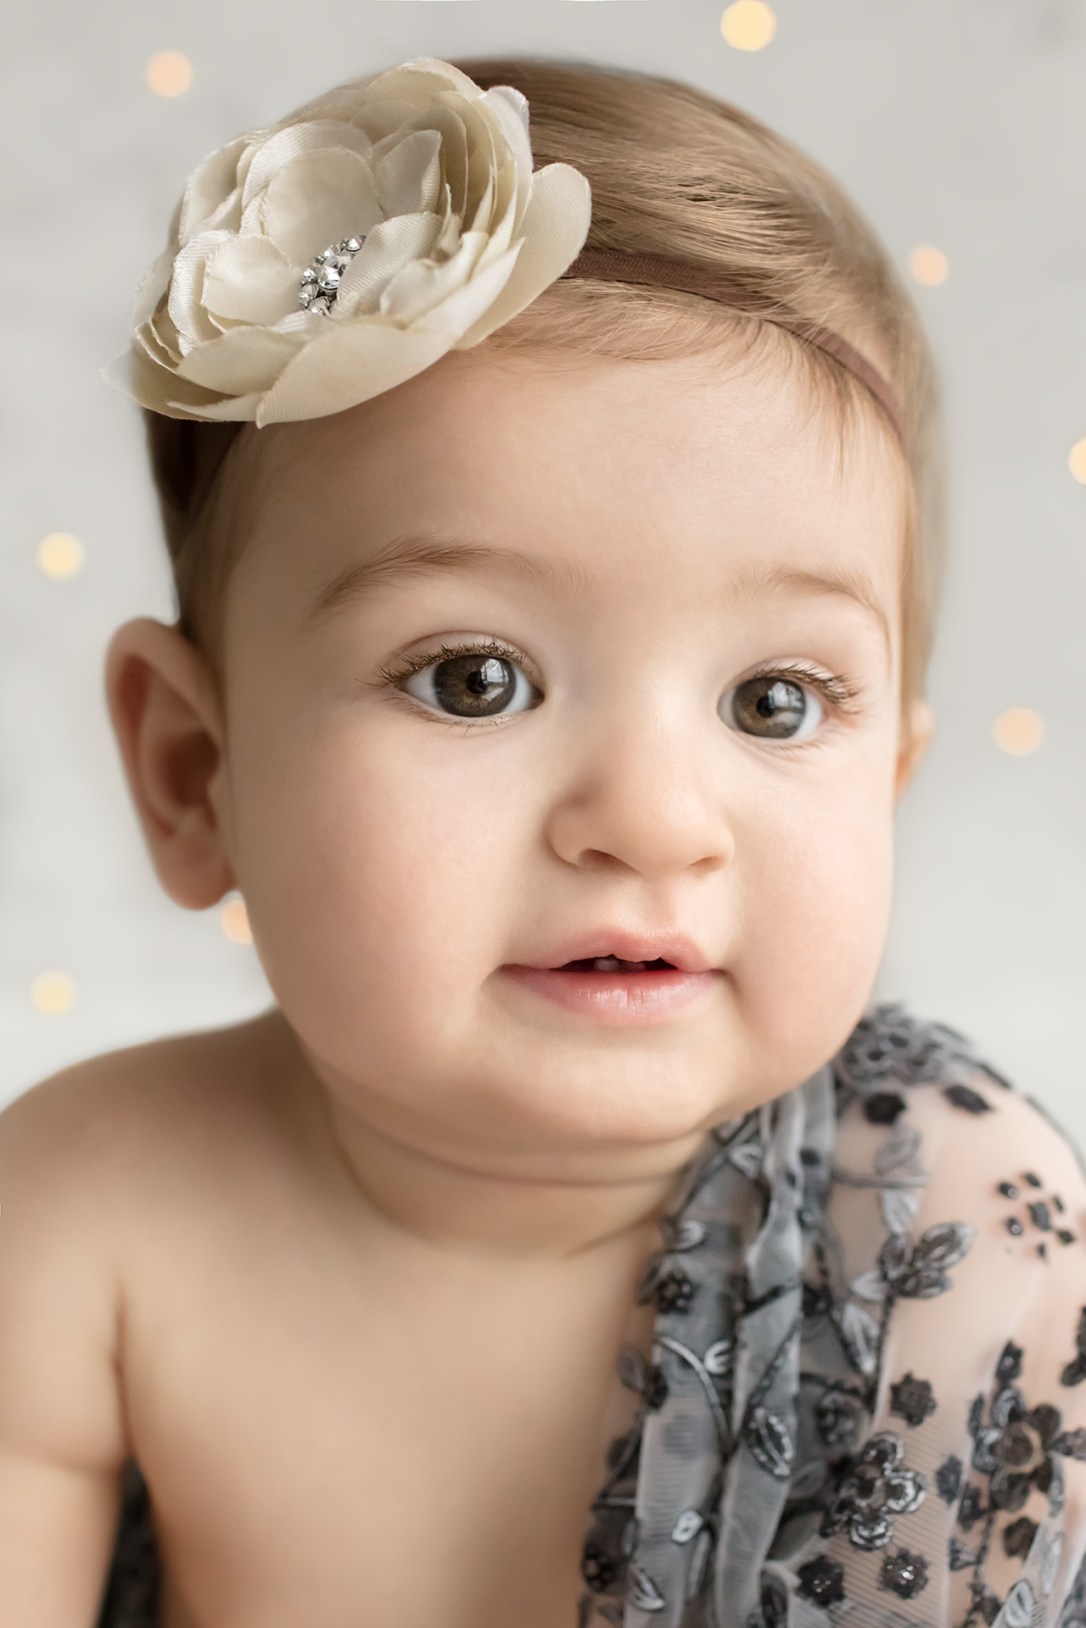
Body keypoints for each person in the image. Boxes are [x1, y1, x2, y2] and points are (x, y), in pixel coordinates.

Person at [1, 50, 1083, 1628]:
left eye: (774, 703)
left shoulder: (949, 1230)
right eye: (471, 679)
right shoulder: (89, 1207)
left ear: (891, 785)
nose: (649, 816)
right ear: (194, 773)